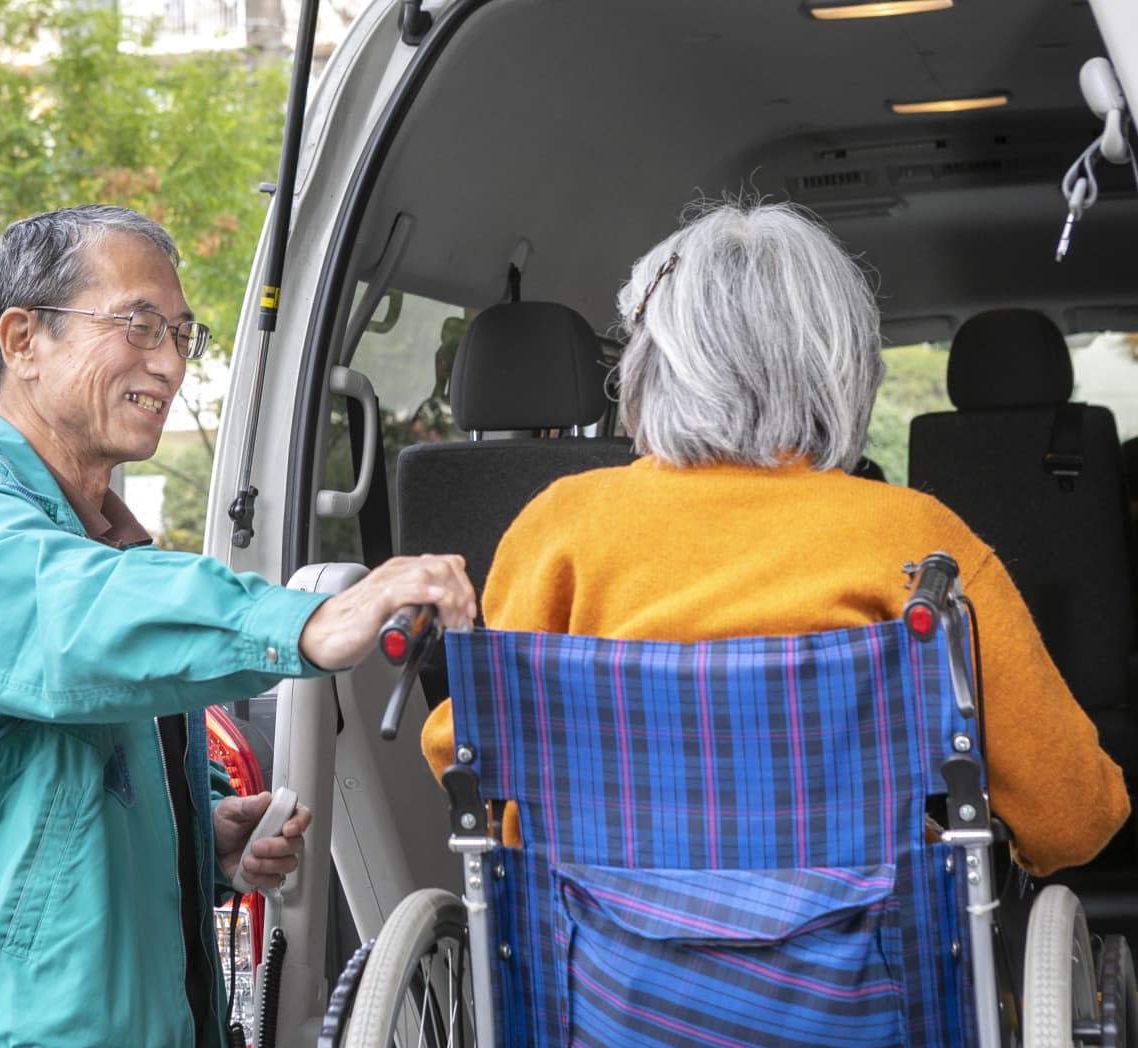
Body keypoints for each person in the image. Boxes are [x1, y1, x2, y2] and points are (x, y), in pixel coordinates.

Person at [0, 204, 474, 1048]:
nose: (171, 362)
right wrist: (308, 618)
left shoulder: (92, 538)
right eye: (139, 324)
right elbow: (81, 619)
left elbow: (48, 793)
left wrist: (197, 841)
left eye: (182, 334)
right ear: (22, 338)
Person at [420, 200, 1130, 877]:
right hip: (860, 985)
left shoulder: (557, 527)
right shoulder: (913, 541)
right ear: (841, 367)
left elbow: (466, 754)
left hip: (598, 981)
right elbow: (1073, 817)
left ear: (650, 368)